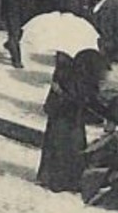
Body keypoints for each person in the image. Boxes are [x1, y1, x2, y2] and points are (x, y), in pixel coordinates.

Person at [37, 50, 100, 195]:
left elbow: (74, 93)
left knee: (59, 145)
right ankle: (67, 179)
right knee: (68, 147)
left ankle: (56, 179)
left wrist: (59, 92)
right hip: (71, 115)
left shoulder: (68, 68)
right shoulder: (78, 66)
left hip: (65, 113)